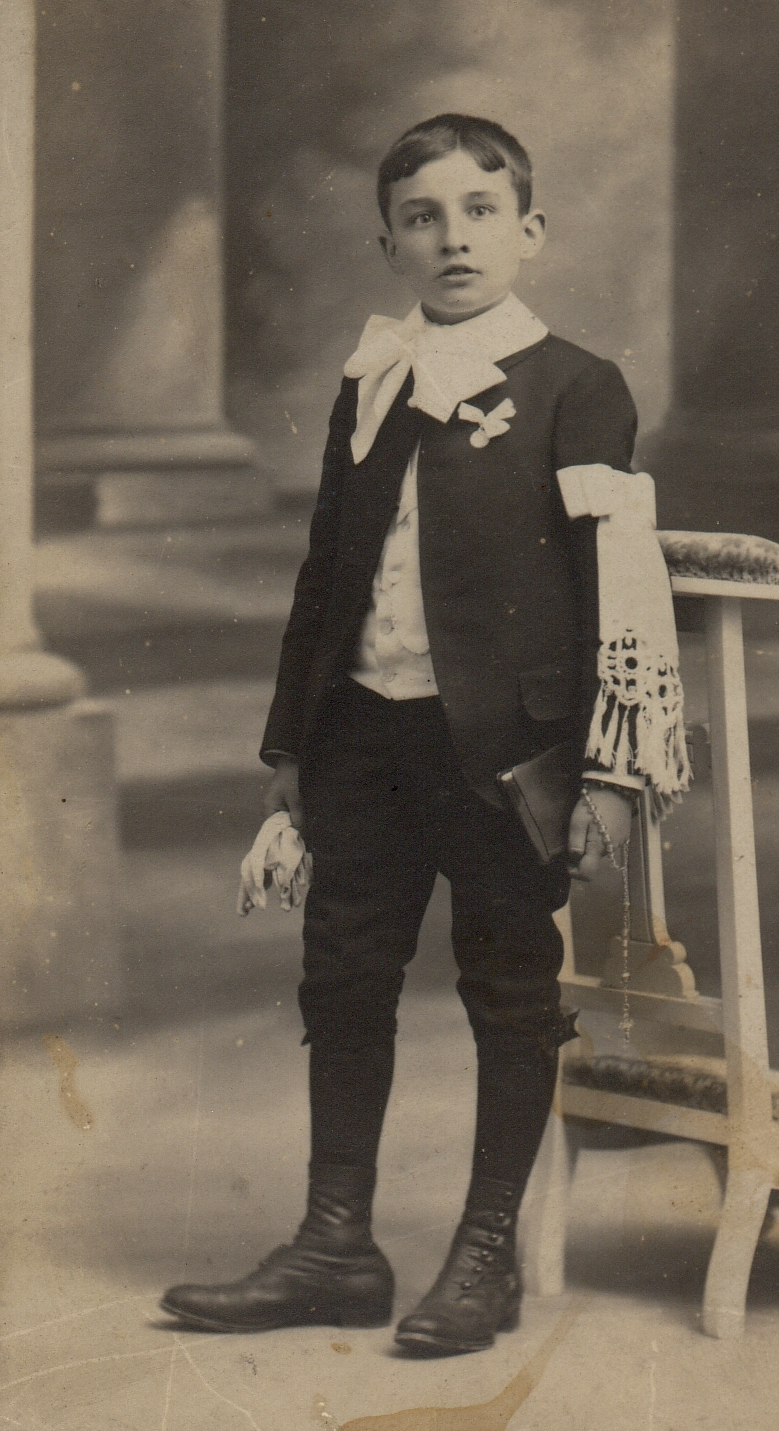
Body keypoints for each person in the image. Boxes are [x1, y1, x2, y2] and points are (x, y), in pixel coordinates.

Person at [161, 113, 689, 1355]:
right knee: (343, 974)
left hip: (503, 752)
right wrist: (292, 751)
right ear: (388, 244)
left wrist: (605, 769)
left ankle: (483, 1255)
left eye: (480, 211)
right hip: (361, 735)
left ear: (529, 231)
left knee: (508, 986)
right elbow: (326, 570)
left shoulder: (576, 385)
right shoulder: (374, 380)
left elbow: (616, 587)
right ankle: (334, 1244)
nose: (454, 238)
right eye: (422, 217)